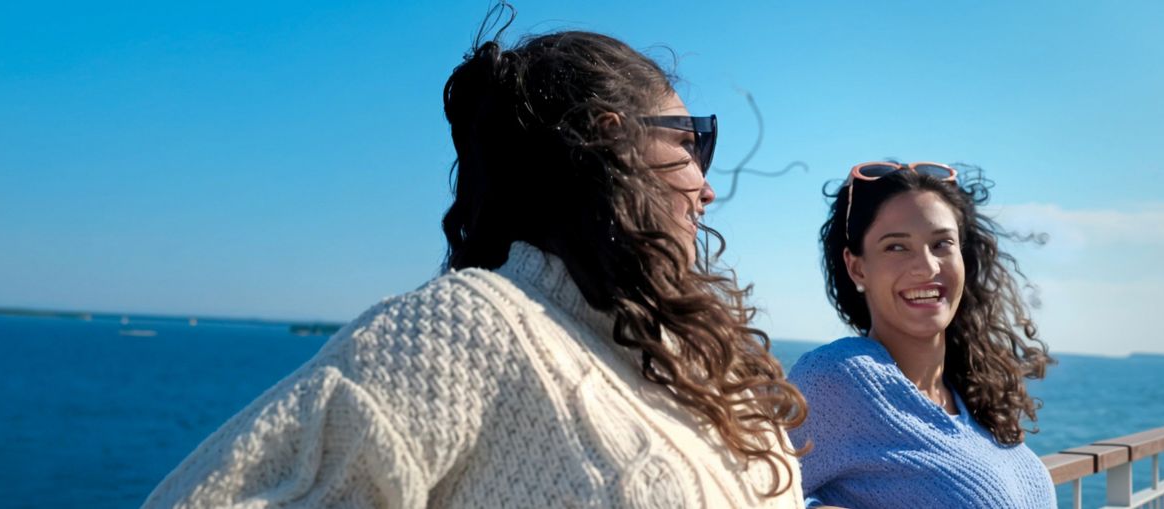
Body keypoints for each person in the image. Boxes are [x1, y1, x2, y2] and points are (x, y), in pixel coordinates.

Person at [142, 22, 807, 508]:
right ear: (614, 139)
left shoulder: (692, 350)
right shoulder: (472, 327)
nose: (708, 184)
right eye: (692, 142)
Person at [788, 162, 1054, 508]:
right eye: (897, 247)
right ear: (857, 267)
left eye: (942, 244)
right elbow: (740, 492)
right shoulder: (837, 377)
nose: (927, 267)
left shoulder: (969, 390)